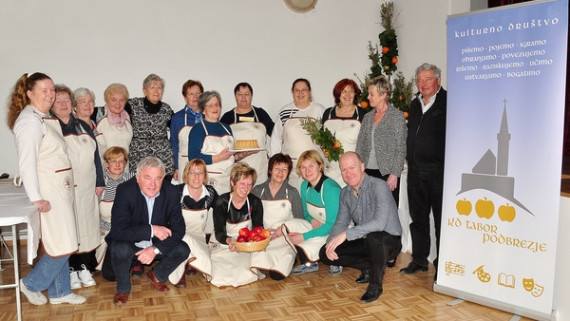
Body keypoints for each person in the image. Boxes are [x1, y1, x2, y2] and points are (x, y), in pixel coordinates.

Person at [8, 72, 86, 305]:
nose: (50, 95)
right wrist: (36, 198)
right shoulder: (30, 121)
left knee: (62, 242)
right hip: (48, 193)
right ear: (30, 93)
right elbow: (27, 163)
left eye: (52, 90)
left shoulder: (43, 117)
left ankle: (60, 292)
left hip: (60, 190)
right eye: (44, 90)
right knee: (61, 244)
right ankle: (31, 283)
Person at [103, 156, 189, 306]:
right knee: (113, 266)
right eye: (147, 178)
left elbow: (179, 229)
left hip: (155, 245)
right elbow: (118, 231)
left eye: (158, 178)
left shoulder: (172, 192)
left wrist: (155, 250)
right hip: (129, 244)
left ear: (163, 178)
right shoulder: (125, 191)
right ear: (137, 178)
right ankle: (123, 288)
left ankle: (156, 275)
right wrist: (151, 230)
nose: (153, 184)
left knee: (183, 249)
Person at [319, 152, 402, 303]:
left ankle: (375, 285)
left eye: (352, 167)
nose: (348, 173)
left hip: (388, 241)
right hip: (365, 239)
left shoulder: (379, 186)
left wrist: (346, 234)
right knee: (324, 253)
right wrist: (331, 243)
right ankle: (371, 266)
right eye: (344, 170)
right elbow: (340, 223)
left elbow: (379, 224)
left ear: (362, 167)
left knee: (374, 238)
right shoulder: (345, 193)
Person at [52, 85, 105, 289]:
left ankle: (84, 266)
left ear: (72, 104)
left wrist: (100, 182)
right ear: (52, 105)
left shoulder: (84, 126)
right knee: (70, 228)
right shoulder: (51, 128)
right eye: (59, 101)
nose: (64, 105)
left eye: (67, 100)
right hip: (64, 188)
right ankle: (71, 270)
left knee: (87, 227)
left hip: (87, 185)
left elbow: (95, 158)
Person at [399, 63, 446, 278]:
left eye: (427, 79)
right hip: (416, 173)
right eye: (419, 80)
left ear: (438, 80)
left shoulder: (449, 103)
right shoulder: (414, 104)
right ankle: (419, 260)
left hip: (439, 173)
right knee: (417, 219)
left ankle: (443, 266)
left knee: (440, 221)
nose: (423, 84)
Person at [286, 150, 342, 275]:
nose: (307, 171)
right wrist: (312, 220)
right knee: (291, 224)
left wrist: (304, 236)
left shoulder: (330, 189)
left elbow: (332, 224)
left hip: (336, 230)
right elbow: (305, 212)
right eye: (303, 167)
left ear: (320, 166)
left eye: (311, 166)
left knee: (306, 241)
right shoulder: (304, 185)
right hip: (319, 225)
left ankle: (337, 258)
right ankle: (310, 263)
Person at [188, 91, 253, 196]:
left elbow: (230, 156)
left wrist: (241, 155)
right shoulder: (198, 129)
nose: (215, 108)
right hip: (210, 181)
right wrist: (218, 158)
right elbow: (193, 157)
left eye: (217, 104)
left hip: (229, 180)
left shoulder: (226, 128)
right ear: (203, 110)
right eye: (210, 105)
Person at [209, 162, 264, 287]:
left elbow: (257, 228)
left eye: (250, 184)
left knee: (245, 273)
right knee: (218, 274)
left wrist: (253, 242)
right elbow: (219, 232)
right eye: (242, 183)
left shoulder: (255, 202)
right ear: (233, 183)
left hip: (245, 244)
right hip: (224, 243)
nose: (246, 187)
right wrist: (230, 241)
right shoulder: (221, 202)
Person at [355, 75, 407, 206]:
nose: (368, 97)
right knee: (367, 211)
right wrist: (358, 170)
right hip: (366, 172)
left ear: (383, 94)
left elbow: (401, 148)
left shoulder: (397, 116)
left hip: (386, 173)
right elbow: (360, 145)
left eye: (372, 94)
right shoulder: (367, 117)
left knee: (386, 213)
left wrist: (394, 174)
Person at [251, 153, 303, 280]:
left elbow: (300, 220)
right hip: (263, 238)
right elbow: (251, 217)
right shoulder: (257, 191)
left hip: (284, 238)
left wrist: (284, 230)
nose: (280, 172)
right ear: (270, 170)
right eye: (277, 168)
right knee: (255, 266)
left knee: (276, 275)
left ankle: (290, 260)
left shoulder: (292, 192)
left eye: (285, 169)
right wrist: (261, 232)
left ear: (288, 172)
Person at [167, 159, 218, 287]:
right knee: (183, 243)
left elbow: (221, 210)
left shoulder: (210, 193)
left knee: (210, 264)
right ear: (186, 175)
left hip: (199, 237)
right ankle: (181, 272)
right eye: (192, 172)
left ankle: (190, 262)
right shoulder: (176, 192)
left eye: (200, 173)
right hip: (178, 236)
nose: (196, 176)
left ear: (205, 176)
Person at [270, 78, 326, 191]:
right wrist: (275, 164)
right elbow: (276, 139)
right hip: (293, 168)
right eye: (297, 90)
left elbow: (327, 140)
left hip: (314, 167)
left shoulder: (319, 110)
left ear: (310, 92)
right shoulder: (285, 112)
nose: (300, 94)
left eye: (304, 90)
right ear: (292, 92)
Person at [220, 82, 274, 184]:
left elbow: (275, 133)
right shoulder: (228, 117)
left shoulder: (260, 114)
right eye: (240, 94)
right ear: (235, 96)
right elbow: (221, 143)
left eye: (247, 94)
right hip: (237, 166)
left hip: (260, 167)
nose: (243, 98)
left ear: (251, 96)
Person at [95, 146, 135, 270]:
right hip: (106, 232)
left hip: (128, 231)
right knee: (111, 273)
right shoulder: (99, 183)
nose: (117, 165)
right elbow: (94, 214)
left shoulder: (134, 179)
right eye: (113, 161)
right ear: (106, 164)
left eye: (121, 161)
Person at [322, 78, 367, 187]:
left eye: (351, 91)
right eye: (344, 91)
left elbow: (367, 144)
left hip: (352, 170)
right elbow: (321, 138)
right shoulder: (328, 113)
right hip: (331, 169)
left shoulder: (363, 114)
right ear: (338, 94)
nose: (347, 94)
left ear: (355, 94)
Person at [128, 74, 175, 176]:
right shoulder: (134, 104)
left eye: (159, 88)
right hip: (138, 156)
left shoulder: (166, 109)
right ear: (144, 90)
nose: (156, 91)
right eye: (152, 87)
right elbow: (115, 106)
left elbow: (176, 129)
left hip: (163, 157)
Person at [170, 80, 204, 182]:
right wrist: (176, 167)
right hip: (185, 164)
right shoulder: (177, 118)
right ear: (185, 98)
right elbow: (174, 143)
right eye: (191, 94)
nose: (195, 97)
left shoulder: (210, 116)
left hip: (206, 165)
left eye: (198, 93)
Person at [95, 83, 133, 159]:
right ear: (107, 100)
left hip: (124, 166)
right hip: (105, 166)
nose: (118, 104)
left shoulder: (128, 118)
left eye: (121, 100)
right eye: (113, 100)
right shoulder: (98, 115)